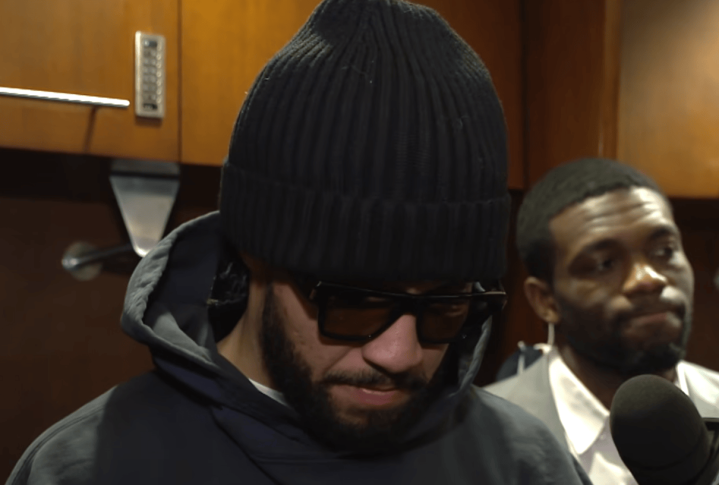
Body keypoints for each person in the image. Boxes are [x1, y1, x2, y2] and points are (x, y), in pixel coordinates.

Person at [7, 1, 592, 484]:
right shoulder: (89, 468)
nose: (400, 354)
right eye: (355, 300)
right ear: (254, 255)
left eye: (446, 305)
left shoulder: (524, 466)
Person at [485, 158, 719, 485]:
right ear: (545, 300)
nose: (648, 279)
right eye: (605, 263)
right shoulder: (479, 437)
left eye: (665, 251)